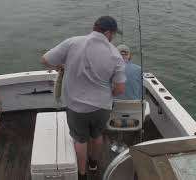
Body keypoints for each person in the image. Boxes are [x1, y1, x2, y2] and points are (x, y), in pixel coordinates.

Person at [41, 16, 126, 180]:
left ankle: (82, 174)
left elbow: (45, 59)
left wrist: (61, 65)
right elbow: (120, 89)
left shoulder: (72, 42)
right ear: (108, 33)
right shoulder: (115, 55)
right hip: (101, 107)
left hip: (76, 107)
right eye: (114, 34)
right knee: (97, 136)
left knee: (80, 140)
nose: (113, 37)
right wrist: (109, 93)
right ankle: (93, 164)